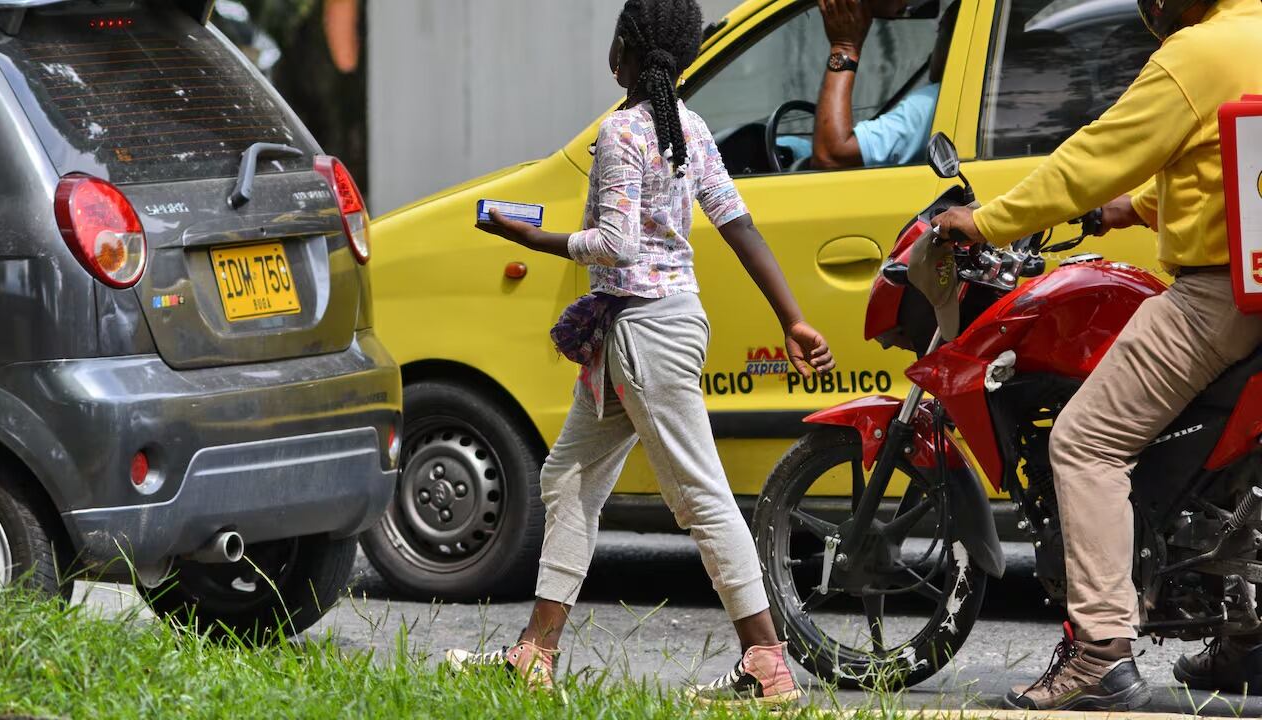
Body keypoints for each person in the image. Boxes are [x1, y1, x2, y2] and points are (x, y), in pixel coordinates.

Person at [446, 0, 835, 708]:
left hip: (646, 335)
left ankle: (767, 665)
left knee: (699, 495)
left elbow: (617, 246)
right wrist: (793, 316)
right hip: (653, 328)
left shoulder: (624, 130)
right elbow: (735, 219)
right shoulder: (688, 125)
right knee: (569, 477)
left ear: (623, 47)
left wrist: (529, 238)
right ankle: (535, 651)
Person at [932, 0, 1262, 710]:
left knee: (1085, 441)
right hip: (1254, 286)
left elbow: (1091, 157)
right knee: (1215, 467)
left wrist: (986, 222)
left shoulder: (1195, 54)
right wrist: (1136, 207)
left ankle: (1100, 655)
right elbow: (1230, 162)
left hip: (1220, 297)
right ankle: (1248, 645)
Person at [811, 0, 959, 170]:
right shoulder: (978, 99)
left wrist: (844, 48)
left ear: (956, 41)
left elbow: (831, 155)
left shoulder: (938, 104)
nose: (931, 54)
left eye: (940, 30)